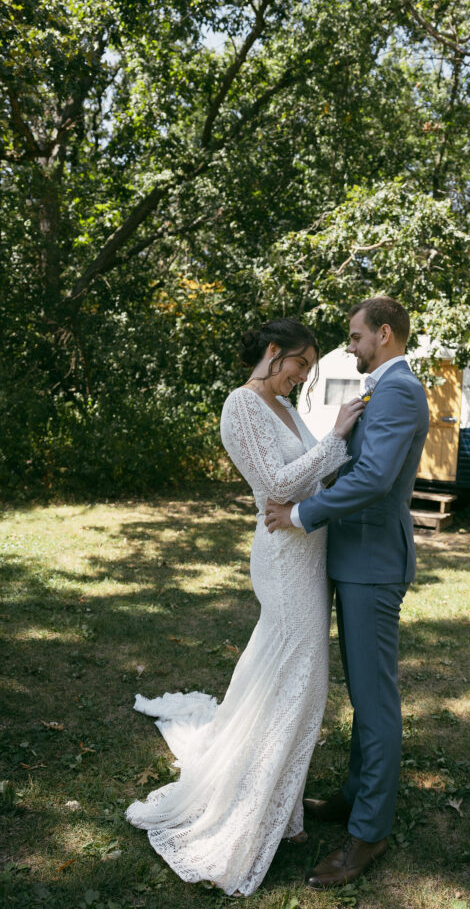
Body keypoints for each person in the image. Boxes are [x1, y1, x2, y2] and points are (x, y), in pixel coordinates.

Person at [126, 318, 365, 897]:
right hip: (283, 558)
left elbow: (315, 475)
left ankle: (280, 808)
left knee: (295, 680)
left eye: (309, 367)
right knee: (300, 678)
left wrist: (350, 442)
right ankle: (249, 809)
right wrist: (333, 437)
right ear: (273, 352)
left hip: (309, 552)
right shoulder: (241, 406)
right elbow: (275, 483)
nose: (303, 375)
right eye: (299, 364)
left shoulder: (285, 409)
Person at [264, 296, 429, 889]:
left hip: (373, 566)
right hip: (352, 559)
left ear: (385, 335)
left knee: (375, 699)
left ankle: (369, 832)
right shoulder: (379, 390)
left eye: (356, 337)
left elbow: (374, 478)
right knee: (362, 692)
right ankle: (356, 794)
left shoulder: (400, 391)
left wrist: (302, 512)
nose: (350, 346)